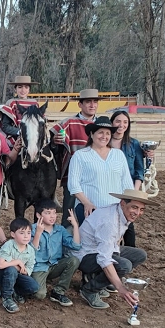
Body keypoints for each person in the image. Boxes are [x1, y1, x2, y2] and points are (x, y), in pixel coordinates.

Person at [73, 189, 159, 310]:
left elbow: (113, 244)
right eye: (134, 207)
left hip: (100, 249)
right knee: (124, 265)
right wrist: (121, 289)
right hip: (85, 255)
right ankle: (89, 290)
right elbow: (104, 259)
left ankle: (95, 279)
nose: (138, 213)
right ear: (123, 203)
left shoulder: (120, 212)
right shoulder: (109, 221)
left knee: (139, 255)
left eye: (141, 209)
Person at [67, 116, 133, 225]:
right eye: (100, 132)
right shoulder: (80, 156)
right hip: (89, 209)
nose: (104, 136)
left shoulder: (118, 155)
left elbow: (126, 183)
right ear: (92, 134)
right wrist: (86, 203)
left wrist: (126, 206)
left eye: (107, 133)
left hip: (115, 210)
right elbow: (73, 185)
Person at [50, 89, 101, 227]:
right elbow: (54, 147)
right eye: (88, 102)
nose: (92, 105)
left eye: (95, 101)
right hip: (73, 177)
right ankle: (67, 243)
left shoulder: (102, 125)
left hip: (96, 178)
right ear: (80, 104)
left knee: (95, 213)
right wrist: (55, 141)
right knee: (69, 215)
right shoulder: (69, 123)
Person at [29, 199, 81, 307]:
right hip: (38, 267)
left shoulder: (60, 229)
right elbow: (30, 252)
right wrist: (38, 233)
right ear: (39, 215)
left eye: (54, 213)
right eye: (48, 213)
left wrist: (75, 225)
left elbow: (76, 246)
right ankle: (33, 281)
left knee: (73, 261)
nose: (52, 216)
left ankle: (58, 291)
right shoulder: (32, 229)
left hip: (54, 265)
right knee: (40, 295)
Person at [110, 110, 148, 247]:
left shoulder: (134, 144)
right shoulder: (104, 143)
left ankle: (130, 250)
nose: (122, 125)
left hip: (128, 189)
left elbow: (139, 169)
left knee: (128, 222)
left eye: (125, 122)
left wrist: (134, 191)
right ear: (112, 123)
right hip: (109, 188)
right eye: (118, 121)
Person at [0, 218, 40, 313]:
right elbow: (0, 265)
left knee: (34, 286)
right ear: (13, 234)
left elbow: (27, 271)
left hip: (18, 275)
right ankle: (7, 298)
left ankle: (15, 292)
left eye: (28, 233)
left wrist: (16, 263)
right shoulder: (8, 245)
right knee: (11, 270)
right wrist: (17, 262)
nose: (26, 236)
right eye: (22, 233)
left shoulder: (30, 250)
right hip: (4, 274)